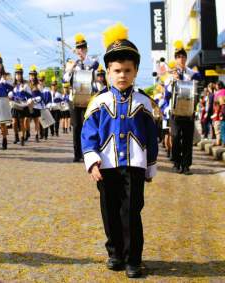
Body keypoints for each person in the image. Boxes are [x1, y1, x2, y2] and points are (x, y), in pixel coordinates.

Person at [81, 23, 158, 278]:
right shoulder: (98, 101)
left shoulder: (144, 102)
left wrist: (150, 165)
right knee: (110, 211)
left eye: (127, 70)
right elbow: (88, 133)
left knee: (132, 212)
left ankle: (133, 258)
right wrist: (92, 161)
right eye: (117, 70)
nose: (122, 75)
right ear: (107, 72)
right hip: (107, 166)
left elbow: (151, 136)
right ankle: (114, 252)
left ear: (136, 71)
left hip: (135, 166)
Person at [166, 40, 202, 174]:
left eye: (183, 56)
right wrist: (173, 80)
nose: (181, 59)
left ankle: (186, 165)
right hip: (175, 112)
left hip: (189, 112)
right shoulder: (170, 74)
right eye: (178, 57)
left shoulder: (191, 74)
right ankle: (176, 163)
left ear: (186, 58)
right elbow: (167, 94)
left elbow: (197, 86)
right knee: (175, 138)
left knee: (187, 140)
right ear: (175, 59)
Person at [63, 32, 99, 162]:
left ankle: (86, 152)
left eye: (83, 48)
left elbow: (96, 69)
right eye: (78, 48)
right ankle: (76, 153)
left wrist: (84, 58)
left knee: (86, 126)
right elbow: (65, 79)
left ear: (86, 49)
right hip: (75, 99)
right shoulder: (72, 63)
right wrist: (70, 69)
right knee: (76, 126)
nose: (80, 50)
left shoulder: (92, 61)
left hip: (88, 99)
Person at [9, 64, 32, 146]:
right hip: (15, 105)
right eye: (17, 74)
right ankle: (16, 137)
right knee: (14, 122)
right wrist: (10, 95)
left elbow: (29, 95)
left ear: (22, 75)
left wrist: (29, 100)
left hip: (23, 105)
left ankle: (22, 137)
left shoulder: (25, 84)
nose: (18, 75)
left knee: (22, 122)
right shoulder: (13, 85)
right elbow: (10, 95)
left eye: (19, 74)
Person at [27, 65, 42, 143]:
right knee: (27, 120)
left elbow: (41, 96)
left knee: (36, 121)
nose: (32, 77)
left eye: (33, 75)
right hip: (29, 106)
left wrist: (35, 100)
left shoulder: (38, 85)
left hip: (36, 106)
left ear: (35, 76)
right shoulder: (27, 84)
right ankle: (27, 133)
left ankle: (36, 135)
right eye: (31, 75)